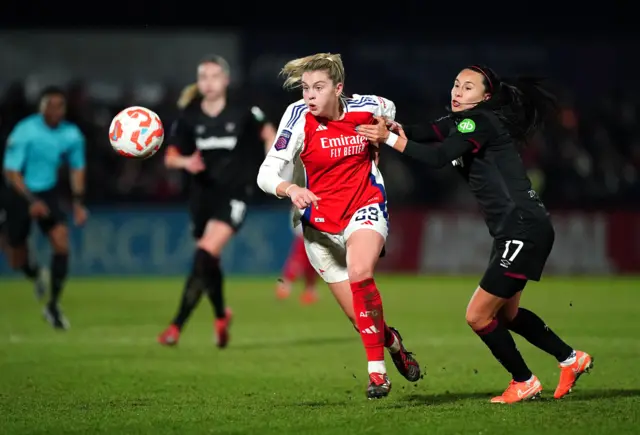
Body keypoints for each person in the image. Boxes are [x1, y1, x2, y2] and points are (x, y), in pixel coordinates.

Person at [357, 64, 593, 404]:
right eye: (455, 84)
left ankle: (524, 381)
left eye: (467, 88)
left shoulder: (479, 122)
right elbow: (426, 132)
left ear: (485, 96)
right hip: (517, 229)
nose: (457, 91)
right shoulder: (461, 123)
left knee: (478, 315)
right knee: (507, 315)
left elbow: (439, 156)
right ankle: (571, 359)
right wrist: (395, 127)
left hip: (521, 228)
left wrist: (389, 139)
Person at [257, 53, 420, 399]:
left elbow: (388, 110)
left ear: (339, 88)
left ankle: (377, 375)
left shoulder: (366, 106)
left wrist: (387, 131)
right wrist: (291, 188)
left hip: (365, 205)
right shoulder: (297, 117)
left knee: (361, 272)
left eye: (318, 87)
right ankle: (393, 345)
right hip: (319, 227)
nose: (310, 96)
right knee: (363, 322)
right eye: (305, 88)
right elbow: (266, 174)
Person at [158, 54, 277, 348]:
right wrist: (186, 162)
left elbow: (269, 132)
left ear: (225, 80)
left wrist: (273, 161)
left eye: (214, 76)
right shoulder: (189, 116)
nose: (209, 83)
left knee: (204, 252)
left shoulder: (243, 111)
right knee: (208, 262)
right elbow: (170, 157)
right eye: (204, 77)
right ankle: (222, 314)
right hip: (202, 197)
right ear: (198, 83)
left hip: (236, 194)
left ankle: (175, 326)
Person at [3, 86, 88, 329]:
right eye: (50, 105)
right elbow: (11, 171)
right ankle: (34, 271)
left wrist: (79, 202)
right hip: (19, 192)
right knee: (16, 259)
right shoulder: (25, 131)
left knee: (61, 241)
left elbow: (77, 168)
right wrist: (31, 201)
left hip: (47, 191)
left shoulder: (71, 135)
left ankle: (52, 306)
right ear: (41, 107)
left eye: (59, 105)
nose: (55, 110)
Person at [275, 206, 319, 304]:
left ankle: (310, 290)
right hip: (305, 230)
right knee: (298, 259)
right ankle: (284, 286)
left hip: (315, 232)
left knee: (313, 263)